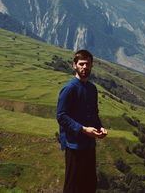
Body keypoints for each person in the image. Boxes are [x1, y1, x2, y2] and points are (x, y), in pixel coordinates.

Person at [56, 49, 108, 193]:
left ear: (91, 66)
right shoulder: (69, 89)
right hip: (74, 145)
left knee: (90, 184)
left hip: (89, 144)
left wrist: (100, 127)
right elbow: (61, 116)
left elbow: (94, 114)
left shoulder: (92, 89)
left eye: (88, 64)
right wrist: (83, 129)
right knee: (73, 186)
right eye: (82, 64)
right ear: (75, 65)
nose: (85, 67)